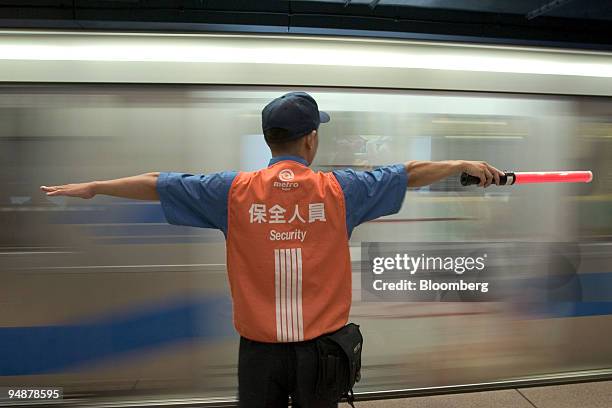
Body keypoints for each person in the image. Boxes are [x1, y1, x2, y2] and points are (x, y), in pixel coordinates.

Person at [41, 91, 503, 407]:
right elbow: (409, 172)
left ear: (269, 139)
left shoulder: (231, 191)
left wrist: (96, 187)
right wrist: (461, 163)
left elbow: (156, 184)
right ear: (310, 139)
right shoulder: (342, 191)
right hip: (324, 354)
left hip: (258, 354)